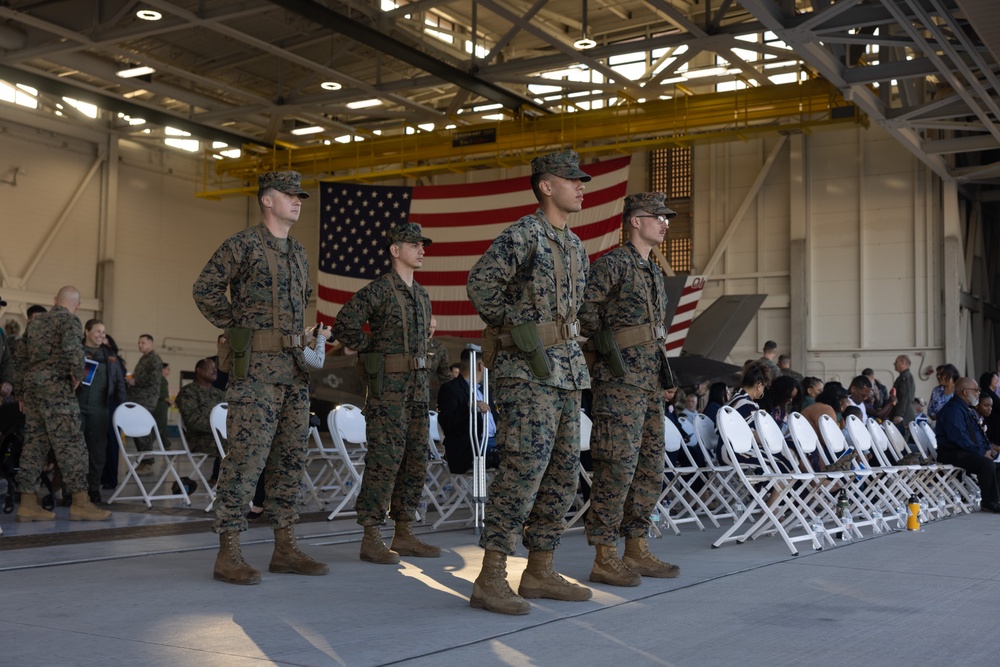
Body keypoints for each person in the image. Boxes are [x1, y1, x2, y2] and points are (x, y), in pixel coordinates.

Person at [466, 149, 593, 615]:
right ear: (545, 185)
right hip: (526, 374)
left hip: (566, 373)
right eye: (571, 179)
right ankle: (490, 577)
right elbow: (481, 283)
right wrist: (517, 330)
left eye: (582, 180)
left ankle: (539, 570)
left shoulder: (575, 246)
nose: (581, 186)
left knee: (561, 475)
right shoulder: (525, 234)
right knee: (522, 471)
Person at [193, 170, 328, 585]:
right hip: (255, 375)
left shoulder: (300, 253)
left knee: (290, 463)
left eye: (299, 195)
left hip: (294, 373)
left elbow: (299, 306)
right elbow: (205, 289)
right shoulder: (243, 244)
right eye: (289, 195)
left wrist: (305, 338)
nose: (297, 200)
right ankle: (228, 551)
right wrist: (240, 329)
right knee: (245, 461)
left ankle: (285, 547)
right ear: (267, 200)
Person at [577, 191, 681, 588]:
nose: (665, 222)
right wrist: (607, 346)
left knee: (649, 469)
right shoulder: (613, 265)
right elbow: (585, 314)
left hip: (649, 384)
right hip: (619, 384)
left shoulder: (652, 271)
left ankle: (635, 548)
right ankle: (605, 556)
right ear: (635, 221)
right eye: (658, 216)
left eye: (666, 217)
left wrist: (663, 378)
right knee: (615, 467)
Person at [332, 222, 442, 564]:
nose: (422, 249)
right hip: (388, 393)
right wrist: (373, 349)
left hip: (418, 391)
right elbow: (344, 324)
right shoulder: (379, 290)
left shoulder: (422, 295)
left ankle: (404, 532)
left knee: (416, 461)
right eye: (414, 244)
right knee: (384, 461)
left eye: (423, 244)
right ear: (395, 250)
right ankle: (371, 535)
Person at [13, 286, 111, 522]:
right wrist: (78, 374)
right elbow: (72, 349)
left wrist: (21, 393)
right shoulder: (70, 320)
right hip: (56, 388)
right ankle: (80, 503)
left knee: (34, 443)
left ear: (55, 300)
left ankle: (27, 503)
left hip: (33, 388)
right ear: (77, 304)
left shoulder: (35, 323)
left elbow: (21, 357)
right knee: (72, 444)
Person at [77, 319, 127, 504]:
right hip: (76, 408)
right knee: (74, 451)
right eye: (97, 331)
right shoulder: (76, 352)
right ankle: (71, 491)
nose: (101, 335)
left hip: (100, 410)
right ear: (87, 331)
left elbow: (120, 383)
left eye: (103, 332)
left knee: (98, 452)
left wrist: (124, 408)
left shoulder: (110, 355)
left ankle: (93, 488)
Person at [934, 377, 1000, 513]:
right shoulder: (953, 410)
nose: (978, 393)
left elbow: (977, 434)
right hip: (952, 453)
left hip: (965, 451)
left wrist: (988, 448)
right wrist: (981, 452)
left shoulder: (965, 408)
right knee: (986, 464)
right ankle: (989, 503)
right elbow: (959, 438)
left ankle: (996, 499)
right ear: (965, 392)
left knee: (996, 462)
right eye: (975, 390)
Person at [438, 348, 499, 474]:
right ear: (481, 366)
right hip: (471, 446)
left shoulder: (485, 389)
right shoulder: (451, 389)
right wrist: (467, 407)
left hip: (495, 442)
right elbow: (447, 423)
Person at [175, 358, 226, 483]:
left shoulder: (220, 394)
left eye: (216, 368)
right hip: (200, 439)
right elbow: (193, 421)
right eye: (210, 367)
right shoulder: (189, 392)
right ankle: (229, 485)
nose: (215, 370)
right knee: (237, 445)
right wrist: (220, 429)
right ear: (199, 370)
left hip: (220, 437)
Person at [126, 334, 163, 474]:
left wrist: (135, 382)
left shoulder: (154, 359)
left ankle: (148, 463)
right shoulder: (144, 358)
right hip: (139, 398)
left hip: (146, 399)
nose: (140, 345)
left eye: (143, 342)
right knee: (137, 430)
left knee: (143, 430)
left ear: (151, 344)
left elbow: (153, 381)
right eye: (139, 343)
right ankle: (143, 461)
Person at [425, 316, 452, 386]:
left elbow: (445, 375)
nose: (431, 330)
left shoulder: (439, 348)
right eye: (429, 326)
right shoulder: (411, 345)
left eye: (433, 327)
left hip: (428, 391)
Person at [888, 355, 912, 431]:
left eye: (896, 362)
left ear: (902, 362)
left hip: (903, 417)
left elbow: (904, 396)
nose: (894, 364)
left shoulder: (905, 377)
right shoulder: (904, 376)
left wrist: (899, 414)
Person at [979, 371, 1000, 446]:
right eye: (995, 379)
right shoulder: (986, 393)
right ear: (989, 380)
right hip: (991, 425)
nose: (997, 380)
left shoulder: (991, 392)